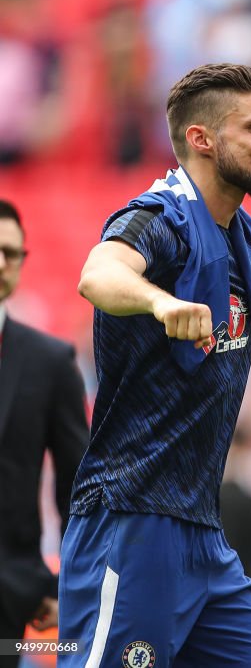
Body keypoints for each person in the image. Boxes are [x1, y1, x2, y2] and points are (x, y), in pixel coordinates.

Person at [59, 63, 251, 668]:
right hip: (130, 525)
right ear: (201, 140)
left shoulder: (240, 238)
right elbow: (98, 273)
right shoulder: (161, 223)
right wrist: (161, 301)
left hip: (203, 535)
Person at [0, 201, 88, 667]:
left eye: (11, 253)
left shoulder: (49, 362)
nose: (0, 263)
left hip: (8, 598)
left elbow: (77, 485)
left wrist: (64, 586)